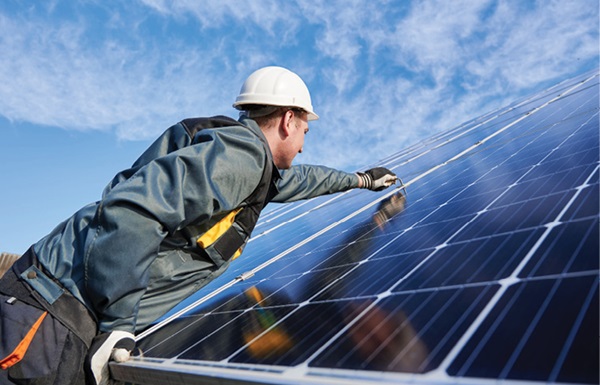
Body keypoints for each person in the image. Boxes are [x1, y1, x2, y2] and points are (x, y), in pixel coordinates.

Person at [0, 66, 398, 385]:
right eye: (305, 132)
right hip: (54, 314)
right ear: (288, 120)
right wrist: (120, 322)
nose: (304, 144)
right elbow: (132, 211)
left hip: (60, 309)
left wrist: (360, 180)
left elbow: (302, 179)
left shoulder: (245, 164)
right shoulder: (241, 158)